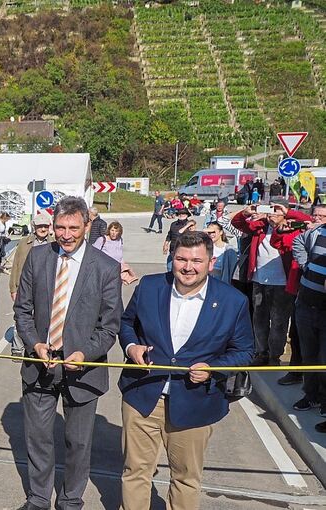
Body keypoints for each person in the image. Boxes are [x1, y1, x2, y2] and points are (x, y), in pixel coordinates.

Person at [118, 231, 254, 509]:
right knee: (135, 472)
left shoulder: (233, 301)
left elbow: (244, 351)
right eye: (181, 259)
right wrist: (132, 347)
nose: (188, 267)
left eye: (196, 260)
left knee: (185, 478)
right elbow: (127, 324)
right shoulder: (149, 286)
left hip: (195, 402)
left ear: (210, 263)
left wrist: (214, 368)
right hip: (143, 395)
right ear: (172, 258)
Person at [12, 196, 123, 510]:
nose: (66, 234)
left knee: (78, 442)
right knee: (38, 439)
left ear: (87, 225)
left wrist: (85, 353)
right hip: (40, 364)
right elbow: (22, 310)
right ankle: (38, 498)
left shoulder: (106, 268)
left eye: (74, 227)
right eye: (60, 227)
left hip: (82, 369)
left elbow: (109, 325)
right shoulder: (37, 257)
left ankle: (71, 499)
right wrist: (34, 342)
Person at [231, 203, 311, 366]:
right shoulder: (259, 227)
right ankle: (261, 353)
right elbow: (237, 223)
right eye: (269, 211)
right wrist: (245, 212)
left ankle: (275, 355)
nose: (272, 215)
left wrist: (288, 212)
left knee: (279, 321)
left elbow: (309, 220)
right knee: (259, 318)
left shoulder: (294, 228)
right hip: (259, 280)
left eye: (276, 212)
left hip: (283, 283)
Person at [291, 204, 326, 422]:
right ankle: (310, 395)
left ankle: (324, 399)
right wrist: (305, 264)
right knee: (308, 355)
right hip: (305, 304)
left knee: (324, 357)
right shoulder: (314, 232)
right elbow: (297, 241)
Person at [9, 212, 53, 301]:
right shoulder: (24, 242)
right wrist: (13, 289)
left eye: (46, 226)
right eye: (40, 226)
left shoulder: (54, 243)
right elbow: (16, 265)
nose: (43, 229)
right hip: (25, 286)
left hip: (46, 288)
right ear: (34, 227)